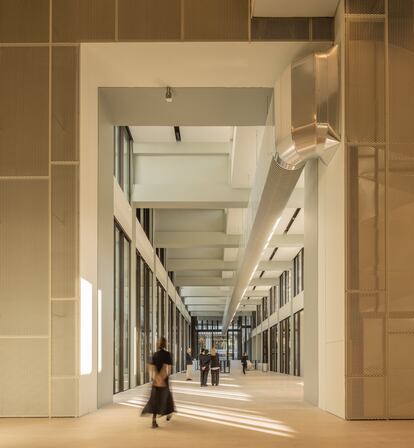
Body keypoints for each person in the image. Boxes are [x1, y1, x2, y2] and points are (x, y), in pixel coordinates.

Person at [141, 337, 175, 428]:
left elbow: (151, 367)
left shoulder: (155, 355)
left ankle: (154, 421)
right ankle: (168, 413)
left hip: (156, 381)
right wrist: (162, 378)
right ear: (165, 344)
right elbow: (168, 369)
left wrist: (156, 378)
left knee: (155, 400)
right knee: (166, 398)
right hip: (164, 380)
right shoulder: (167, 354)